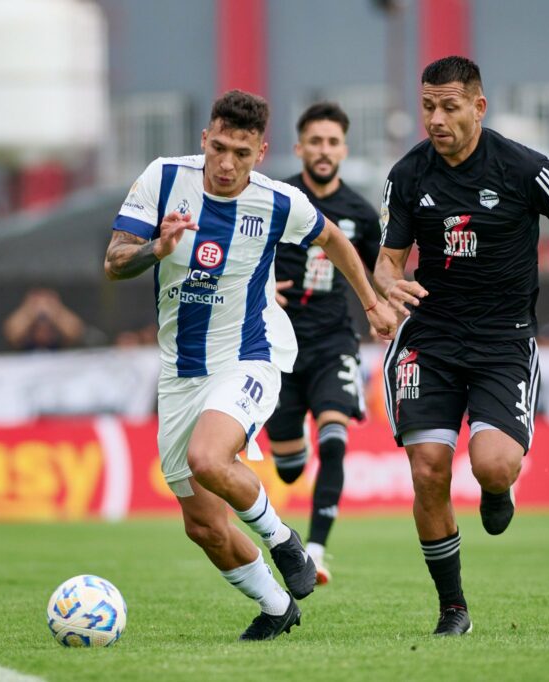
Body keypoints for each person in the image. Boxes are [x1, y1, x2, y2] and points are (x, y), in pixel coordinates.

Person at [103, 90, 395, 641]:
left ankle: (285, 541)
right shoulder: (163, 179)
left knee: (209, 458)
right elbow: (114, 260)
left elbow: (332, 238)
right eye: (219, 148)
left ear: (261, 152)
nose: (227, 164)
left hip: (250, 355)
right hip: (180, 371)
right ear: (203, 141)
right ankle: (276, 605)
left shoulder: (277, 201)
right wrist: (155, 250)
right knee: (204, 525)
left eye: (241, 152)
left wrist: (373, 302)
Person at [375, 56, 549, 636]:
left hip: (505, 341)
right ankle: (453, 609)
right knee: (428, 470)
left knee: (494, 465)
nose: (436, 119)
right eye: (427, 106)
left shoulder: (524, 168)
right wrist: (386, 290)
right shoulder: (408, 175)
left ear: (478, 106)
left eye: (449, 106)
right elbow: (387, 263)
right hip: (430, 338)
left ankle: (499, 490)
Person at [264, 102, 381, 585]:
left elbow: (378, 272)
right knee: (289, 469)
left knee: (334, 440)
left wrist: (383, 307)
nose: (324, 150)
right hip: (277, 347)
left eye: (333, 142)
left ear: (344, 149)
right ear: (300, 148)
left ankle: (314, 552)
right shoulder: (276, 197)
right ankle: (292, 455)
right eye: (315, 141)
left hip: (334, 342)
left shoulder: (359, 213)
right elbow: (243, 252)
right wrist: (263, 286)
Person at [2, 288, 85, 351]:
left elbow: (75, 331)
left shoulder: (60, 335)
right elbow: (11, 332)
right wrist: (30, 310)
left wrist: (56, 309)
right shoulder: (24, 337)